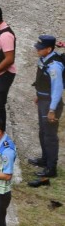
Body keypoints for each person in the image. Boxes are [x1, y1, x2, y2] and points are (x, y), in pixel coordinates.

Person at [28, 35, 64, 187]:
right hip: (43, 101)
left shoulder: (55, 66)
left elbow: (56, 90)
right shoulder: (44, 59)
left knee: (50, 136)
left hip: (51, 104)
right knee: (42, 132)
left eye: (40, 48)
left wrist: (52, 110)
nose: (37, 50)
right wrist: (38, 96)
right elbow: (42, 80)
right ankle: (44, 159)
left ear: (48, 49)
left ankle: (51, 168)